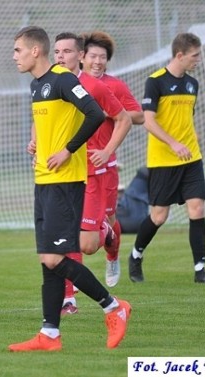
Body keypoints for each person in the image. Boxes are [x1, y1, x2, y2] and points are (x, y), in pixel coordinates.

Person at [9, 26, 131, 352]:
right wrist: (39, 141)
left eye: (18, 50)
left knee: (54, 257)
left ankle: (113, 306)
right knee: (47, 260)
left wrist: (68, 150)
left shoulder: (63, 79)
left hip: (65, 182)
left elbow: (94, 113)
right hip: (44, 181)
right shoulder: (38, 86)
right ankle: (49, 334)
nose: (14, 57)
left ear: (36, 51)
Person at [127, 32, 205, 284]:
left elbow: (185, 119)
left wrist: (191, 138)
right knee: (159, 216)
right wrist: (173, 143)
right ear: (180, 55)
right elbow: (148, 121)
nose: (198, 60)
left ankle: (200, 270)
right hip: (163, 160)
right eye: (194, 55)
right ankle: (135, 256)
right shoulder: (155, 81)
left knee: (197, 208)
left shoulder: (193, 84)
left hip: (191, 158)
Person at [51, 32, 132, 315]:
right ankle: (68, 300)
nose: (61, 56)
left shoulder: (95, 87)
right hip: (61, 173)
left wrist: (108, 150)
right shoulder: (48, 83)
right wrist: (35, 139)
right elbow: (41, 116)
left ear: (79, 56)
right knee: (64, 237)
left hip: (93, 173)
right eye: (57, 51)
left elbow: (125, 118)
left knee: (86, 245)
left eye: (67, 51)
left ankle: (106, 234)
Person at [80, 30, 145, 286]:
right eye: (93, 56)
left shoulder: (114, 85)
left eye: (103, 57)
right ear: (82, 57)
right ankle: (71, 284)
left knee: (108, 220)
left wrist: (110, 111)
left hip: (105, 166)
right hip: (75, 166)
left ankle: (113, 254)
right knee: (74, 226)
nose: (97, 61)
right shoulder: (71, 84)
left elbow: (137, 116)